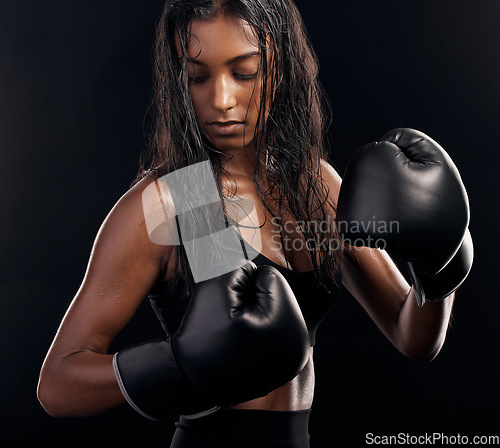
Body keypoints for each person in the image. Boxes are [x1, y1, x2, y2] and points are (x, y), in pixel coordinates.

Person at [37, 1, 473, 447]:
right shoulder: (181, 199)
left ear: (282, 68)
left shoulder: (315, 186)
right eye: (198, 76)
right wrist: (177, 364)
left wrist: (442, 260)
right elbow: (56, 386)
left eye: (244, 73)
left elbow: (413, 335)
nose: (221, 100)